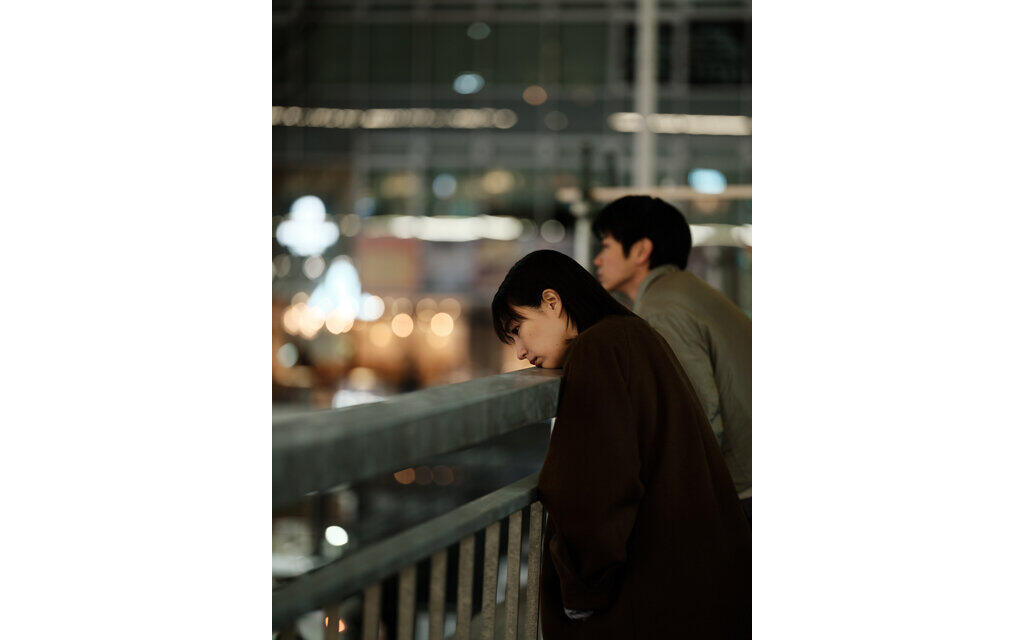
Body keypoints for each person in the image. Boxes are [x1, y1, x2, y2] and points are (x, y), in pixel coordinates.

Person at [491, 250, 750, 639]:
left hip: (646, 600)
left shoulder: (599, 349)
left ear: (551, 302)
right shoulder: (634, 335)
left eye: (518, 329)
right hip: (695, 588)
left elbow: (597, 487)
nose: (520, 352)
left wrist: (580, 595)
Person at [592, 195, 752, 522]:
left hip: (743, 496)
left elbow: (697, 420)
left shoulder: (662, 308)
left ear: (641, 250)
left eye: (606, 246)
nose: (597, 259)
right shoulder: (684, 290)